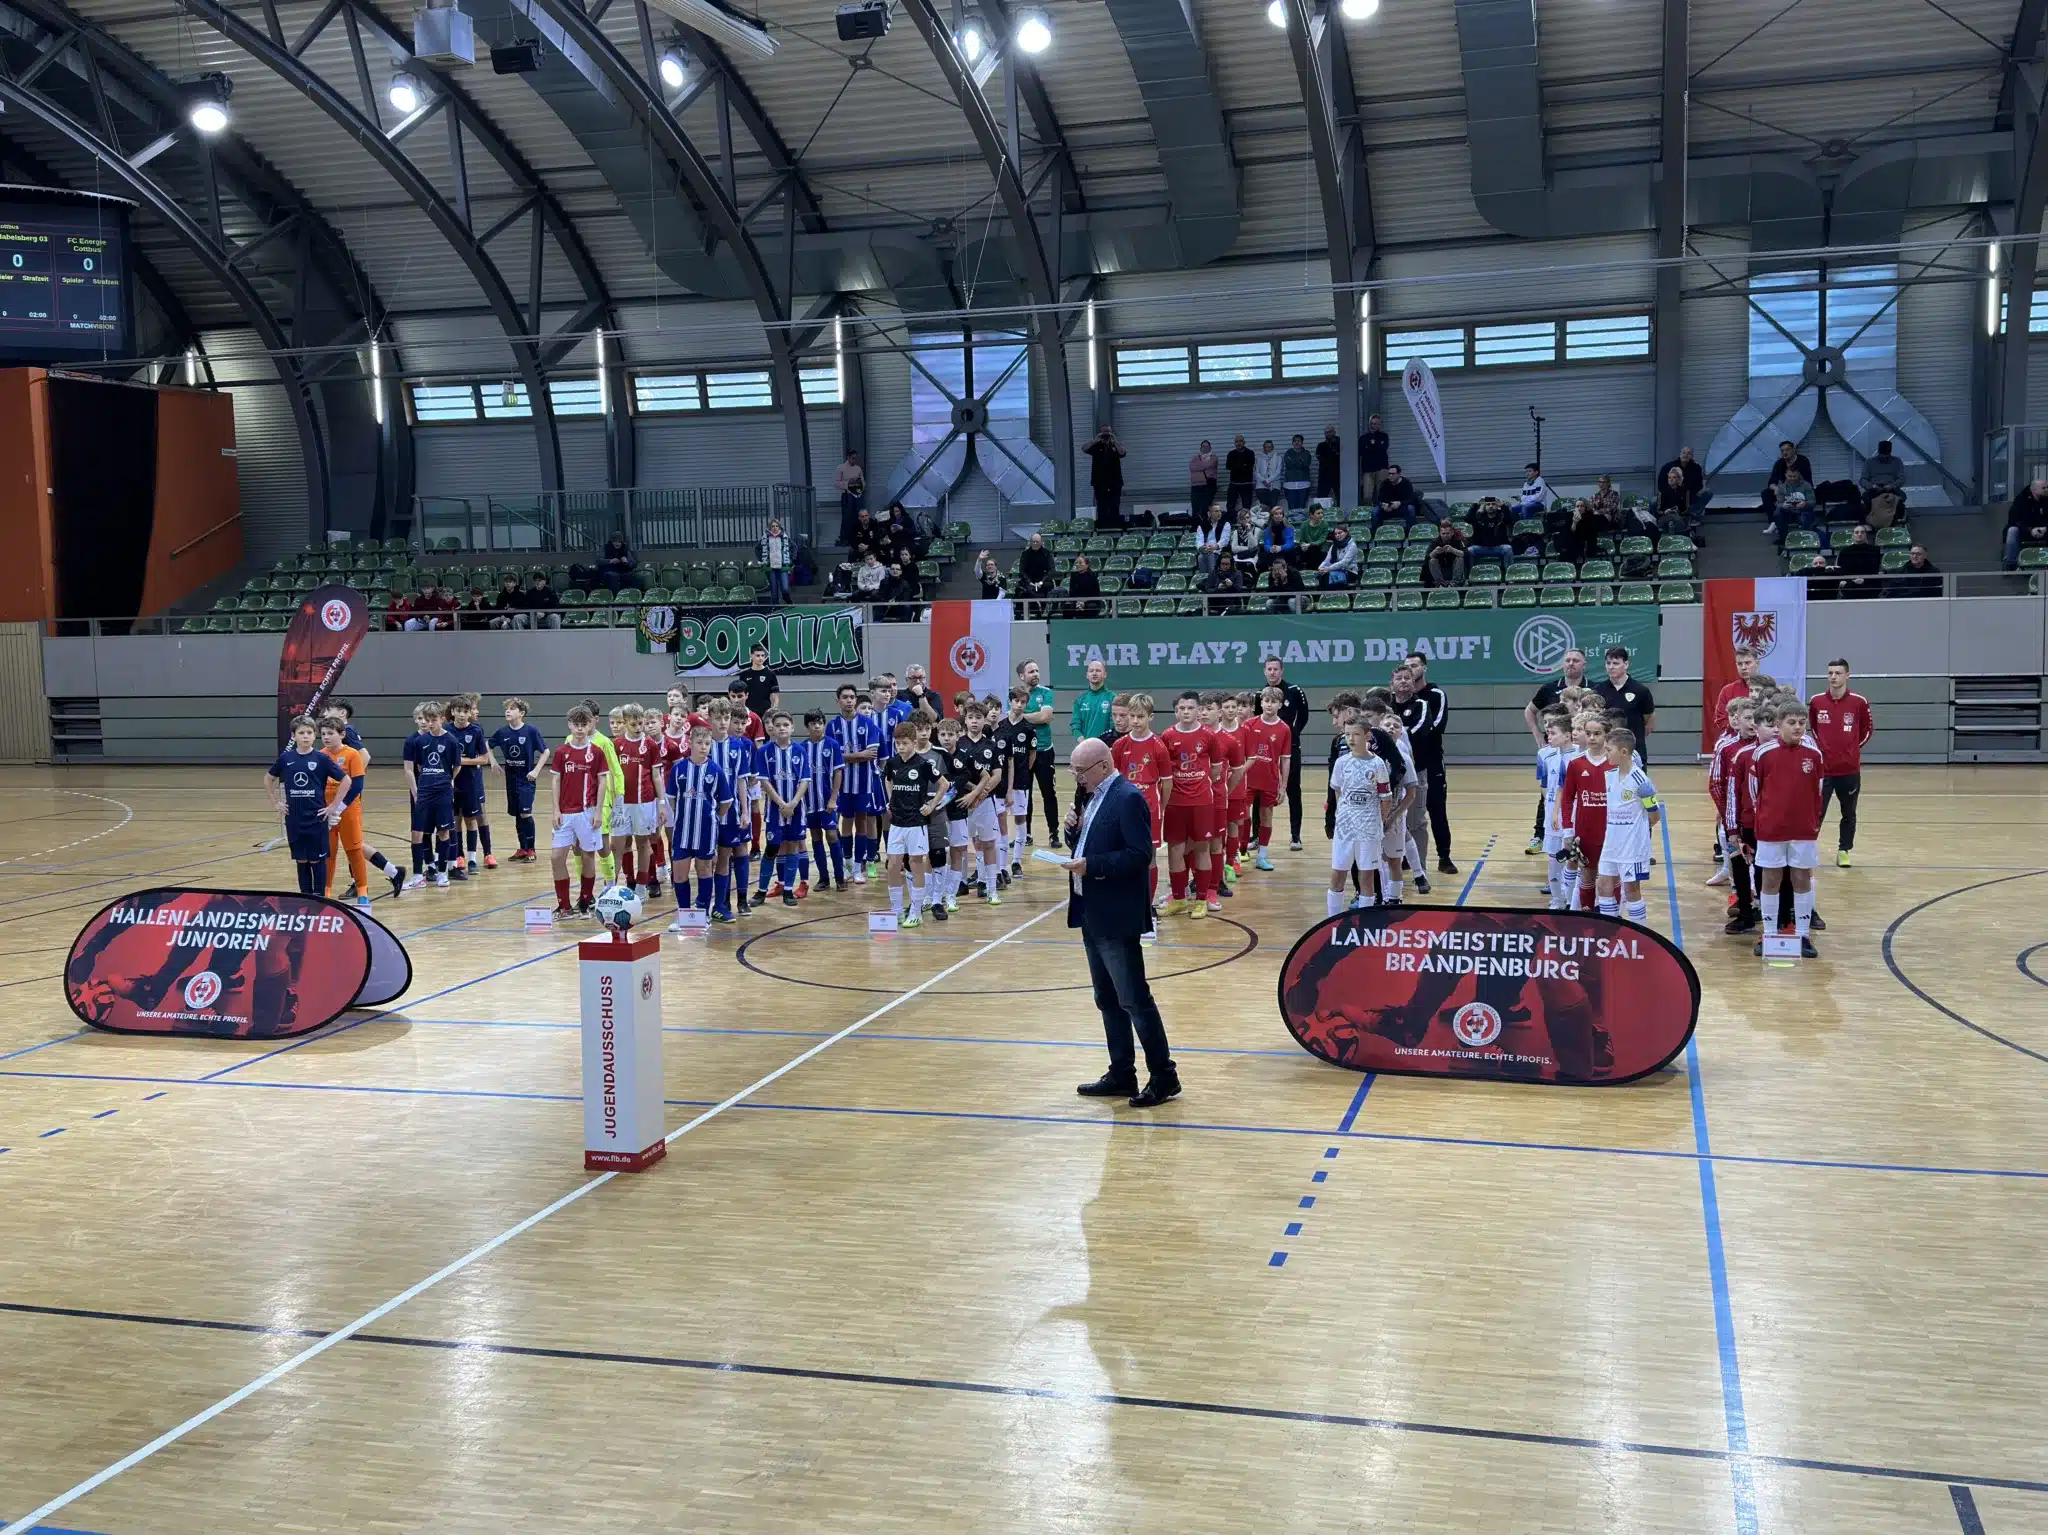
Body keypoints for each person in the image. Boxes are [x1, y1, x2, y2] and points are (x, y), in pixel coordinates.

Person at [1065, 738, 1179, 1107]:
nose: (1076, 778)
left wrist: (1092, 866)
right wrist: (1073, 831)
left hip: (1116, 915)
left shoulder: (1128, 798)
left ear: (1102, 765)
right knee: (1107, 999)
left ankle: (1164, 1076)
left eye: (1080, 771)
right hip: (1091, 911)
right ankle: (1121, 1073)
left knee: (1133, 999)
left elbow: (1139, 854)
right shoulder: (1092, 795)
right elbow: (1088, 843)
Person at [1748, 704, 1826, 957]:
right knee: (1771, 879)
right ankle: (1769, 935)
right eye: (1791, 722)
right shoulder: (1763, 754)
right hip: (1771, 829)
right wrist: (1767, 817)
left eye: (1802, 722)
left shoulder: (1814, 755)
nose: (1797, 727)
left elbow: (1819, 791)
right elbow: (1754, 792)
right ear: (1778, 724)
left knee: (1801, 878)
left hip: (1803, 830)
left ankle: (1802, 935)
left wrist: (1811, 822)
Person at [317, 716, 402, 910]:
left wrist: (339, 807)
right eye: (323, 734)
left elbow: (356, 786)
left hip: (347, 808)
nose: (326, 738)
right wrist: (325, 809)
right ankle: (326, 890)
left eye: (330, 733)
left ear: (342, 734)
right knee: (328, 851)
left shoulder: (352, 754)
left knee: (354, 849)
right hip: (326, 810)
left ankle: (362, 891)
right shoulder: (320, 755)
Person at [267, 714, 349, 896]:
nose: (305, 736)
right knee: (301, 860)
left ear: (314, 736)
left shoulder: (322, 759)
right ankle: (306, 897)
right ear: (293, 736)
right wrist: (276, 803)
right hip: (294, 819)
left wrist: (334, 806)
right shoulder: (286, 758)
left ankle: (320, 897)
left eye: (309, 732)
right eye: (301, 732)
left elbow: (346, 780)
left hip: (316, 818)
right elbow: (268, 778)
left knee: (317, 860)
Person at [1160, 690, 1223, 917]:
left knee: (1202, 848)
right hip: (1176, 802)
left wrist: (1200, 783)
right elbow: (1164, 770)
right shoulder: (1166, 736)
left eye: (1190, 708)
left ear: (1198, 710)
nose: (1186, 712)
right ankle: (1178, 898)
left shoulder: (1209, 736)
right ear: (1176, 712)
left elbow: (1216, 768)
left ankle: (1201, 899)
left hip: (1202, 802)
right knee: (1175, 850)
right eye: (1182, 708)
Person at [664, 725, 733, 929]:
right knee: (679, 873)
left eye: (707, 744)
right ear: (690, 744)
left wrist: (713, 817)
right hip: (683, 831)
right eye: (699, 743)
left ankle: (702, 913)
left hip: (706, 830)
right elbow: (671, 799)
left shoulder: (715, 770)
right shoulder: (679, 769)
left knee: (704, 870)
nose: (704, 747)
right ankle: (684, 914)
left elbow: (726, 801)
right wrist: (683, 816)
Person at [1109, 693, 1173, 912]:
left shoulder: (1159, 746)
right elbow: (1113, 779)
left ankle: (1148, 904)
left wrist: (1160, 808)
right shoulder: (1119, 745)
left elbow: (1167, 783)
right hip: (1124, 808)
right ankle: (1126, 900)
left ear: (1150, 717)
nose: (1135, 721)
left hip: (1150, 809)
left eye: (1140, 717)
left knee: (1149, 858)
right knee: (1122, 854)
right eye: (1132, 716)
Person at [1325, 718, 1393, 917]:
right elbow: (1337, 792)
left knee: (1366, 877)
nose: (1351, 739)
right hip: (1345, 829)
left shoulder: (1378, 764)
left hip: (1369, 830)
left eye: (1356, 734)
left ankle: (1365, 922)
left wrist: (1378, 821)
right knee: (1337, 875)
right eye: (1347, 734)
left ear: (1367, 736)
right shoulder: (1341, 763)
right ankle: (1331, 921)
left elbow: (1385, 799)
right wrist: (1342, 815)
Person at [1524, 646, 1590, 851]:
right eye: (1567, 660)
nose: (1570, 663)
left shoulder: (1591, 690)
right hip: (1556, 750)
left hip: (1578, 750)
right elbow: (1530, 711)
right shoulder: (1549, 688)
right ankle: (1541, 834)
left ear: (1584, 665)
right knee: (1550, 790)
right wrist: (1539, 737)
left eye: (1575, 660)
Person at [878, 721, 943, 927]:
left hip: (916, 823)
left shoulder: (923, 765)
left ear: (914, 743)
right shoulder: (893, 763)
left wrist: (932, 805)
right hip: (897, 823)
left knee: (916, 864)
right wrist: (890, 799)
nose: (901, 747)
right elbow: (888, 780)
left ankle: (915, 911)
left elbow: (945, 784)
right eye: (898, 743)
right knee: (893, 865)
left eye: (905, 743)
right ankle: (896, 911)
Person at [545, 705, 607, 918]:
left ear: (591, 725)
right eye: (576, 725)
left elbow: (602, 782)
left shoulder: (596, 752)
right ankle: (564, 906)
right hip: (565, 813)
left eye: (584, 725)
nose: (580, 729)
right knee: (556, 857)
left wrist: (598, 812)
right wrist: (555, 810)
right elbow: (555, 780)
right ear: (569, 725)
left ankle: (585, 900)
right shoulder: (562, 752)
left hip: (587, 812)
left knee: (588, 856)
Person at [1810, 659, 1872, 868]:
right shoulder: (1816, 701)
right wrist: (1823, 751)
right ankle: (1809, 849)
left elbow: (1867, 730)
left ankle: (1844, 850)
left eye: (1838, 673)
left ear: (1847, 676)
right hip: (1823, 771)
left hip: (1849, 770)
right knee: (1816, 812)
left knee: (1849, 813)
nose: (1833, 677)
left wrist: (1852, 749)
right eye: (1830, 673)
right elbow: (1813, 728)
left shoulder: (1859, 702)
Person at [1594, 727, 1658, 924]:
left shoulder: (1641, 782)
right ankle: (1609, 930)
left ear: (1624, 752)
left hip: (1632, 847)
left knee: (1631, 889)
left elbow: (1654, 816)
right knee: (1603, 885)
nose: (1605, 754)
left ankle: (1640, 934)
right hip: (1611, 843)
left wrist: (1634, 833)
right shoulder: (1609, 776)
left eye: (1609, 750)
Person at [1401, 652, 1454, 874]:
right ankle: (1407, 854)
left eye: (1415, 665)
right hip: (1405, 765)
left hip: (1430, 762)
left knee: (1436, 809)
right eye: (1407, 667)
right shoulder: (1399, 699)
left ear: (1424, 668)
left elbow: (1436, 726)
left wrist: (1408, 737)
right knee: (1405, 811)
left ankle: (1444, 856)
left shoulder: (1435, 695)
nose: (1410, 670)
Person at [826, 683, 883, 886]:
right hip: (842, 785)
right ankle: (848, 865)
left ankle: (858, 867)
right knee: (845, 826)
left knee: (862, 825)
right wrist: (858, 755)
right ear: (838, 700)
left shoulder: (868, 724)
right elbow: (833, 758)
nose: (849, 700)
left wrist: (845, 756)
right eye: (845, 697)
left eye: (852, 697)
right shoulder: (832, 726)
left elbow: (872, 754)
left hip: (864, 784)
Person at [402, 700, 462, 887]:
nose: (429, 723)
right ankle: (418, 873)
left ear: (442, 719)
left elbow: (457, 766)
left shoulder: (451, 741)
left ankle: (443, 873)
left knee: (443, 831)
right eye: (427, 720)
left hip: (443, 791)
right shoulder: (420, 741)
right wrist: (420, 788)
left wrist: (446, 780)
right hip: (425, 791)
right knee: (418, 832)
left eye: (433, 719)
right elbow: (419, 765)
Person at [610, 703, 663, 899]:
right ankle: (612, 887)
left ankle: (641, 886)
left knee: (643, 844)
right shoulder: (616, 745)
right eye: (634, 724)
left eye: (641, 723)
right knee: (618, 846)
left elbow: (657, 776)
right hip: (621, 804)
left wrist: (662, 803)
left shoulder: (650, 745)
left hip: (645, 803)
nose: (639, 728)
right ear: (625, 723)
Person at [1260, 657, 1310, 851]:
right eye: (1269, 669)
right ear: (1264, 671)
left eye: (1275, 669)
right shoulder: (1260, 694)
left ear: (1282, 671)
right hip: (1267, 751)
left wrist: (1293, 734)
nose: (1272, 672)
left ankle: (1295, 835)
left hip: (1291, 748)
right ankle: (1257, 835)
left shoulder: (1295, 691)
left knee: (1293, 790)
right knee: (1260, 791)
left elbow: (1304, 715)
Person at [490, 697, 548, 862]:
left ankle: (531, 849)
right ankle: (522, 848)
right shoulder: (502, 732)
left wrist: (536, 770)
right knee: (517, 814)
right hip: (511, 779)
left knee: (525, 813)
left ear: (521, 713)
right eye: (507, 709)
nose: (508, 711)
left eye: (512, 709)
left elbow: (546, 751)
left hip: (526, 780)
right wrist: (493, 762)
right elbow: (488, 745)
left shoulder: (530, 731)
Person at [446, 694, 493, 874]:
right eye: (458, 711)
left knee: (471, 820)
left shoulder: (475, 731)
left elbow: (483, 759)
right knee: (456, 820)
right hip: (452, 783)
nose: (462, 715)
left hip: (471, 782)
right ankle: (460, 856)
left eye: (466, 711)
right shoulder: (446, 730)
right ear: (453, 712)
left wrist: (460, 761)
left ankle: (473, 858)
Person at [1593, 645, 1655, 764]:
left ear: (1626, 665)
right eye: (1608, 663)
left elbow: (1650, 720)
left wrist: (1632, 737)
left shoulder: (1641, 690)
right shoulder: (1598, 690)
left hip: (1634, 749)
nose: (1611, 667)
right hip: (1607, 750)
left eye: (1615, 663)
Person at [1712, 645, 1763, 740]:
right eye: (1740, 664)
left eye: (1747, 663)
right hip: (1736, 740)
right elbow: (1720, 720)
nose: (1744, 667)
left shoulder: (1768, 688)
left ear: (1757, 663)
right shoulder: (1727, 691)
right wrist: (1741, 731)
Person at [1085, 425, 1127, 530]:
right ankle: (1102, 528)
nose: (1106, 435)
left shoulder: (1116, 445)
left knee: (1114, 505)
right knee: (1102, 507)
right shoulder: (1096, 446)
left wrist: (1114, 440)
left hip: (1115, 482)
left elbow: (1122, 452)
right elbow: (1084, 448)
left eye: (1107, 432)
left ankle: (1115, 527)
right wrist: (1095, 439)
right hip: (1099, 482)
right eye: (1104, 433)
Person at [2003, 478, 2048, 570]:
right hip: (2025, 531)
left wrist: (2045, 528)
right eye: (2044, 488)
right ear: (2034, 490)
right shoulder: (2021, 500)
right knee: (2012, 530)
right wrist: (2030, 530)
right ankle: (2010, 563)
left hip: (2044, 530)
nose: (2047, 490)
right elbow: (2013, 520)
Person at [1859, 439, 1906, 526]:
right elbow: (1863, 480)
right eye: (1882, 455)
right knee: (1865, 500)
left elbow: (1901, 479)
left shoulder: (1897, 462)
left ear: (1890, 453)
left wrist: (1892, 486)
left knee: (1901, 500)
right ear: (1879, 452)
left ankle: (1893, 523)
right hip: (1874, 490)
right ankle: (1871, 523)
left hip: (1891, 489)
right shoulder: (1869, 462)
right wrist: (1871, 486)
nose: (1884, 457)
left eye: (1886, 455)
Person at [1833, 524, 1882, 597]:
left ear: (1866, 535)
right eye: (1857, 532)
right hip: (1850, 583)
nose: (1859, 534)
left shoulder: (1875, 550)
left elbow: (1876, 569)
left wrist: (1864, 580)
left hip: (1870, 583)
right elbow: (1842, 570)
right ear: (1852, 535)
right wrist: (1852, 581)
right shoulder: (1844, 552)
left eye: (1862, 532)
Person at [1071, 658, 1114, 742]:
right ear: (1087, 675)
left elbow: (1114, 727)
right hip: (1086, 748)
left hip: (1107, 747)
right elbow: (1075, 726)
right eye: (1091, 671)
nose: (1094, 673)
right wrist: (1083, 742)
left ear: (1105, 674)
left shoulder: (1112, 698)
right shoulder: (1080, 700)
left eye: (1098, 670)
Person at [1016, 533, 1057, 612]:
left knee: (1047, 587)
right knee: (1025, 589)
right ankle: (1035, 608)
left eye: (1037, 542)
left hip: (1043, 580)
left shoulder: (1047, 553)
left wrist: (1041, 582)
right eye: (1033, 542)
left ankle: (1044, 610)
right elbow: (1022, 571)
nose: (1035, 543)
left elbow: (1051, 570)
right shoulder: (1025, 554)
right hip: (1029, 581)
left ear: (1041, 542)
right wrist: (1030, 582)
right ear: (1030, 542)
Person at [1467, 497, 1514, 566]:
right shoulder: (1479, 517)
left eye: (1493, 504)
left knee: (1508, 548)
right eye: (1488, 504)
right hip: (1481, 548)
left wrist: (1503, 506)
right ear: (1484, 506)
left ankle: (1508, 572)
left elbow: (1510, 520)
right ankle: (1470, 572)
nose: (1491, 506)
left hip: (1498, 548)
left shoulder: (1501, 517)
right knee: (1470, 550)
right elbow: (1468, 519)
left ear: (1497, 506)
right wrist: (1476, 505)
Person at [1422, 521, 1468, 588]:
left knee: (1460, 559)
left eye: (1447, 533)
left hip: (1454, 568)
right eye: (1443, 533)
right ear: (1440, 533)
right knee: (1432, 560)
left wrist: (1453, 550)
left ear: (1452, 532)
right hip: (1441, 569)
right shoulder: (1435, 542)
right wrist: (1435, 552)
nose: (1445, 536)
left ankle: (1454, 583)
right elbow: (1427, 558)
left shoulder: (1458, 540)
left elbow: (1466, 554)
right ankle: (1440, 583)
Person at [1373, 464, 1421, 530]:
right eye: (1389, 474)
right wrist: (1383, 504)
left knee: (1411, 508)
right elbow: (1378, 499)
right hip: (1388, 508)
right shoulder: (1385, 483)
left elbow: (1412, 499)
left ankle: (1412, 532)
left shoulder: (1406, 483)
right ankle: (1376, 533)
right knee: (1375, 511)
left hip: (1401, 508)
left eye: (1393, 474)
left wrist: (1400, 503)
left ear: (1399, 474)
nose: (1391, 476)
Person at [1657, 465, 1698, 540]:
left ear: (1679, 479)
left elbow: (1687, 509)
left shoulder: (1685, 492)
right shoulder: (1662, 492)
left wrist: (1678, 511)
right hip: (1665, 517)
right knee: (1671, 517)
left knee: (1676, 518)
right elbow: (1659, 510)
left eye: (1674, 477)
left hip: (1681, 517)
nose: (1671, 479)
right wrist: (1665, 511)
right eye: (1669, 477)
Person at [758, 519, 794, 605]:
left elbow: (794, 547)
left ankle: (788, 601)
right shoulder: (765, 538)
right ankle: (776, 609)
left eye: (776, 526)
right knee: (774, 592)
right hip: (771, 568)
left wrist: (792, 558)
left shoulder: (784, 537)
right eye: (773, 526)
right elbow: (757, 548)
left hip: (783, 567)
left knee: (785, 589)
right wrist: (762, 559)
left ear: (779, 527)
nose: (775, 528)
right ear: (770, 528)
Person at [835, 451, 865, 547]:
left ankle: (856, 537)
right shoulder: (841, 468)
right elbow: (836, 483)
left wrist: (861, 486)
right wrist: (848, 484)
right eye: (853, 458)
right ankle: (844, 538)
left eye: (856, 458)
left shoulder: (858, 468)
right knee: (847, 518)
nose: (854, 460)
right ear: (848, 457)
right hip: (847, 495)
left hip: (857, 495)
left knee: (857, 516)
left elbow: (863, 481)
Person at [1359, 413, 1390, 505]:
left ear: (1380, 425)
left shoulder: (1384, 436)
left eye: (1376, 424)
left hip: (1382, 468)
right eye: (1372, 423)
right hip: (1368, 469)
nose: (1374, 426)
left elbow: (1383, 448)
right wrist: (1374, 446)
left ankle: (1382, 512)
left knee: (1382, 493)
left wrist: (1370, 447)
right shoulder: (1363, 438)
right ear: (1369, 424)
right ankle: (1370, 513)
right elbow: (1362, 451)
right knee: (1367, 495)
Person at [1193, 505, 1232, 575]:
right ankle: (1206, 577)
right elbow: (1199, 541)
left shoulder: (1226, 524)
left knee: (1204, 556)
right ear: (1209, 513)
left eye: (1220, 511)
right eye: (1216, 511)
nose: (1219, 513)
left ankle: (1211, 577)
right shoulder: (1201, 526)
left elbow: (1225, 540)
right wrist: (1202, 548)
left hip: (1219, 551)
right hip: (1206, 551)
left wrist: (1215, 546)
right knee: (1201, 556)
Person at [1281, 434, 1314, 512]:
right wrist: (1300, 462)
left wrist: (1296, 462)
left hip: (1303, 484)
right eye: (1295, 441)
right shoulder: (1288, 453)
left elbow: (1305, 464)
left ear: (1302, 442)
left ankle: (1301, 522)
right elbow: (1288, 464)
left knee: (1302, 507)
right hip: (1290, 485)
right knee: (1291, 508)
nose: (1296, 443)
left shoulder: (1306, 453)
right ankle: (1292, 523)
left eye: (1298, 441)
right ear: (1292, 443)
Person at [1224, 435, 1256, 515]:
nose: (1239, 443)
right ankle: (1231, 521)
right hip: (1234, 483)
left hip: (1246, 484)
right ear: (1234, 443)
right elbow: (1228, 466)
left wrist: (1236, 466)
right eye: (1237, 441)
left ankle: (1246, 523)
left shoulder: (1250, 453)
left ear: (1244, 442)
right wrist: (1242, 466)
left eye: (1240, 441)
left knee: (1247, 506)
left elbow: (1249, 467)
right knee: (1230, 505)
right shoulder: (1231, 454)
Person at [1188, 439, 1219, 522]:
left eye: (1207, 446)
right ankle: (1196, 528)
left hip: (1207, 486)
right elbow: (1192, 467)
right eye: (1203, 446)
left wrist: (1199, 466)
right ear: (1200, 448)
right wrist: (1204, 466)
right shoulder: (1195, 457)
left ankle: (1206, 526)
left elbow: (1209, 464)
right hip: (1195, 487)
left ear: (1210, 448)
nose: (1205, 448)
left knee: (1206, 508)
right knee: (1196, 507)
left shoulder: (1213, 457)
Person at [1259, 506, 1297, 572]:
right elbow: (1267, 544)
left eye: (1280, 514)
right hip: (1273, 550)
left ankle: (1289, 570)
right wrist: (1270, 549)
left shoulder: (1289, 528)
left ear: (1283, 515)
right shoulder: (1268, 530)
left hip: (1284, 550)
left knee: (1292, 551)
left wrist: (1281, 548)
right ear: (1272, 516)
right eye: (1276, 514)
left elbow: (1290, 543)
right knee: (1262, 553)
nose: (1279, 516)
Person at [1254, 439, 1283, 510]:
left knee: (1273, 507)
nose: (1267, 448)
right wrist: (1264, 481)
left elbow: (1278, 472)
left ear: (1272, 447)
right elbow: (1257, 472)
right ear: (1263, 447)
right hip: (1261, 485)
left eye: (1269, 447)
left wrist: (1268, 480)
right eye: (1266, 447)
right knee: (1264, 507)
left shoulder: (1278, 457)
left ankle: (1273, 520)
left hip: (1274, 485)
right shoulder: (1259, 458)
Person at [1316, 425, 1342, 500]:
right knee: (1321, 497)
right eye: (1326, 432)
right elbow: (1319, 457)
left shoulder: (1340, 443)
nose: (1328, 434)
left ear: (1334, 432)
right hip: (1324, 475)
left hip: (1338, 475)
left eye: (1330, 432)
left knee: (1340, 497)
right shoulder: (1321, 445)